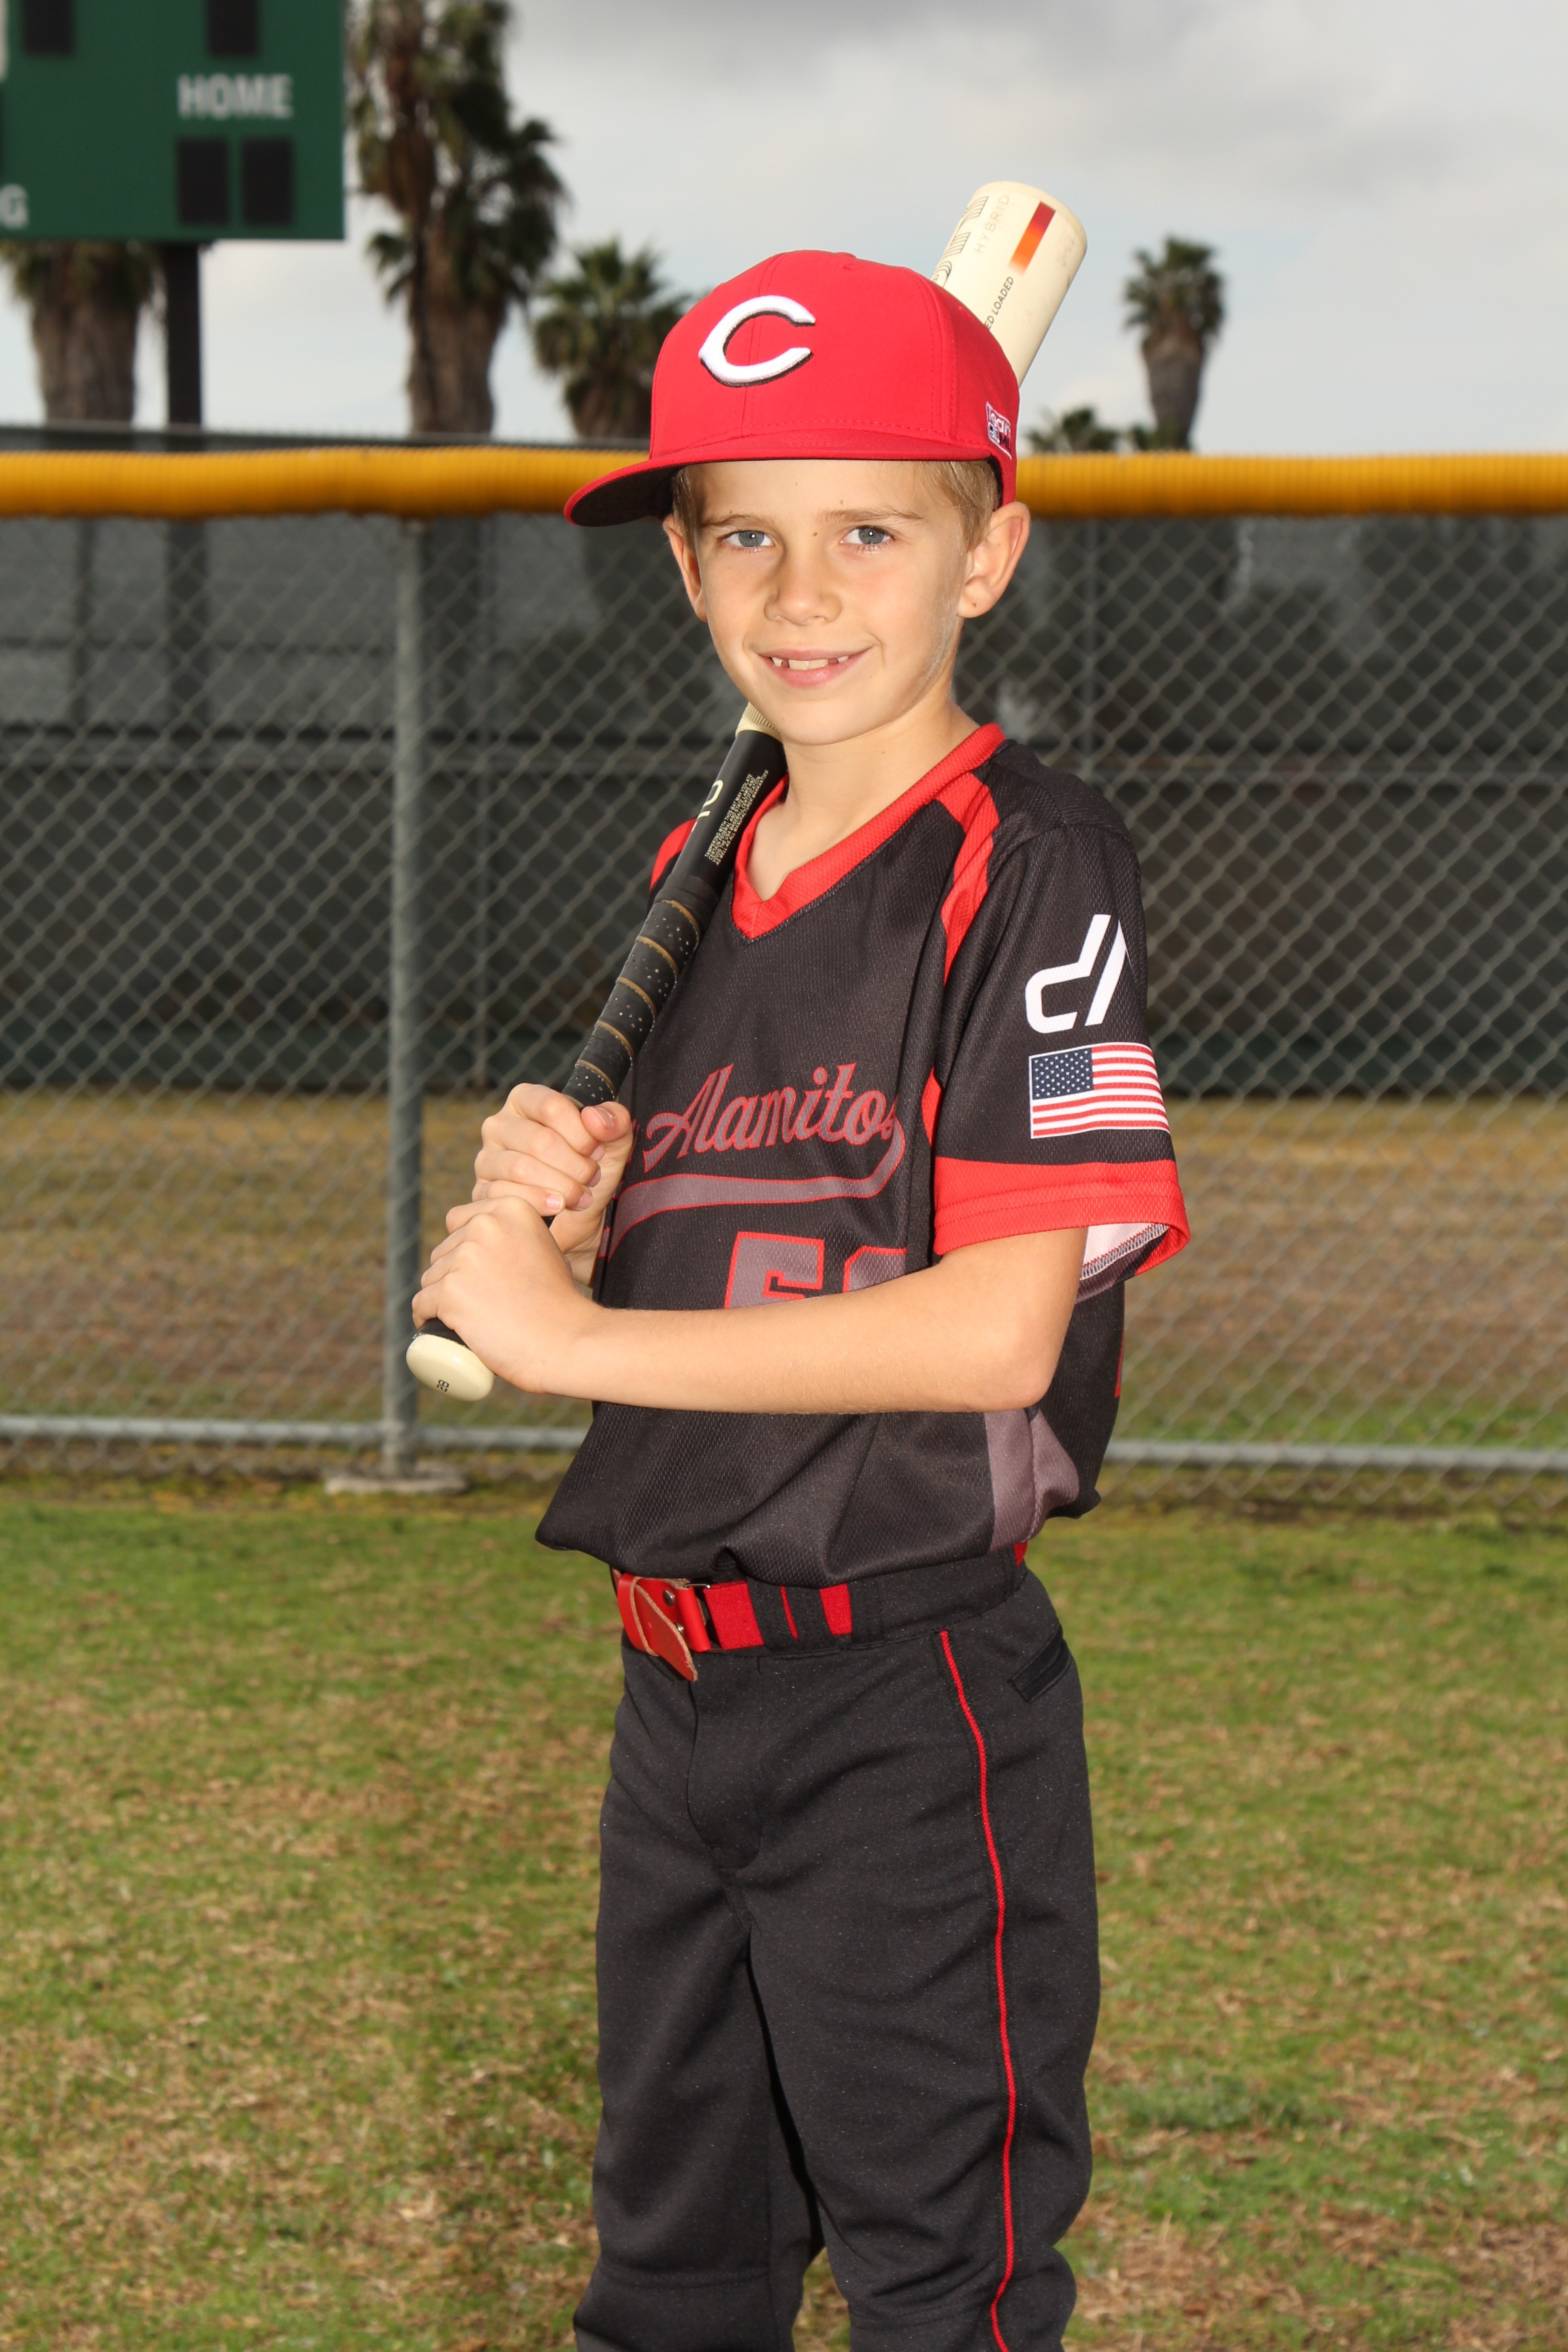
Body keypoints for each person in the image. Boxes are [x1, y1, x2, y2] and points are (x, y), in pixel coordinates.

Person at [414, 248, 1190, 2352]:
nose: (803, 589)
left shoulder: (1030, 857)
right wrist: (574, 1229)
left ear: (986, 553)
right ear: (685, 568)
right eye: (746, 533)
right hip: (674, 1698)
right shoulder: (702, 869)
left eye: (872, 530)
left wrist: (573, 1341)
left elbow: (998, 1328)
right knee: (673, 2279)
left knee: (946, 2286)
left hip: (901, 1696)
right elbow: (722, 1248)